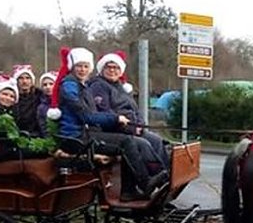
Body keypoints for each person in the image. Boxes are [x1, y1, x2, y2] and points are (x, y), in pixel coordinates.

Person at [56, 47, 168, 200]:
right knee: (127, 142)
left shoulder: (81, 85)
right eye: (79, 66)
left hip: (87, 134)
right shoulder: (70, 86)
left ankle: (130, 191)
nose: (82, 69)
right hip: (75, 138)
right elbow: (86, 116)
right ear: (72, 67)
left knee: (130, 142)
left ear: (90, 68)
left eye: (85, 66)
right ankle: (144, 183)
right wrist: (115, 118)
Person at [88, 52, 169, 170]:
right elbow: (105, 112)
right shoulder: (98, 86)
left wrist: (140, 124)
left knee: (156, 140)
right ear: (102, 69)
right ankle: (154, 174)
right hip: (114, 130)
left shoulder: (121, 87)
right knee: (143, 144)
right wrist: (130, 128)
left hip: (132, 128)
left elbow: (135, 110)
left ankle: (166, 174)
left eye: (115, 67)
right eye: (108, 67)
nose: (112, 70)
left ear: (121, 71)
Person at [11, 64, 43, 135]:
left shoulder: (40, 96)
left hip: (37, 136)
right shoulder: (11, 97)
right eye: (21, 78)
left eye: (27, 78)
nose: (24, 81)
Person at [36, 71, 57, 136]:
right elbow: (43, 127)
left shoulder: (64, 102)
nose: (48, 87)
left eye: (51, 84)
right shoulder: (41, 108)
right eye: (45, 85)